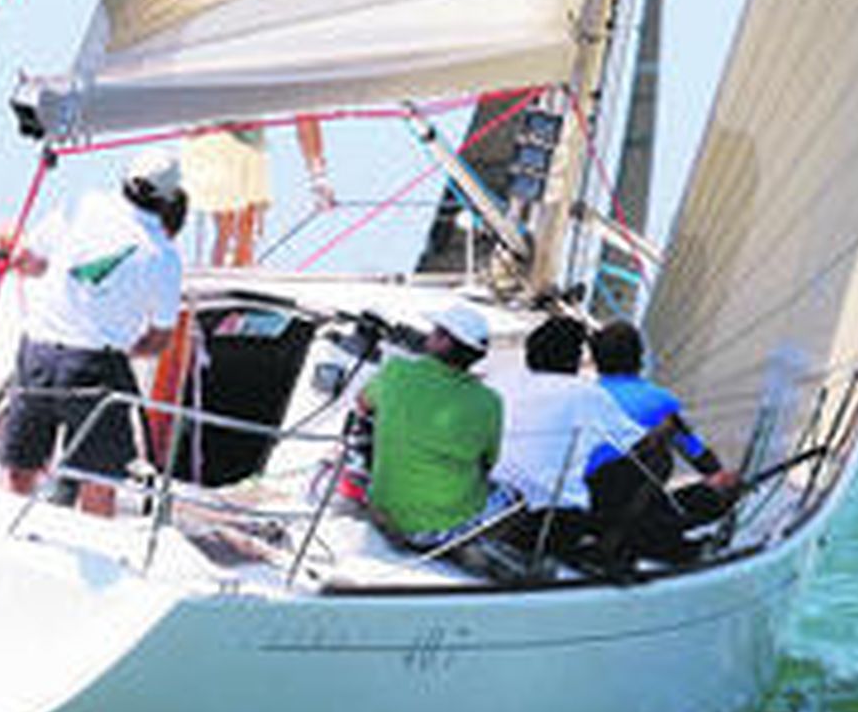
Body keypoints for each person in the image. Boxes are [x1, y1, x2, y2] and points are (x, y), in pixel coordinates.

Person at [0, 147, 186, 517]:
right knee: (99, 478)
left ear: (125, 180)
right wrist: (126, 348)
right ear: (168, 199)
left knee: (19, 467)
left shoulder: (82, 205)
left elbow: (27, 261)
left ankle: (2, 533)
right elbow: (160, 339)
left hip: (37, 353)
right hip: (95, 365)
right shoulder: (163, 256)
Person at [585, 320, 740, 565]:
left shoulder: (583, 397)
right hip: (629, 511)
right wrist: (722, 478)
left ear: (596, 361)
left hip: (585, 509)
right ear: (640, 358)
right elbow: (699, 458)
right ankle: (655, 545)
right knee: (725, 485)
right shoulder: (660, 401)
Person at [488, 315, 644, 553]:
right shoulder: (585, 393)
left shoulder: (498, 383)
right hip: (551, 522)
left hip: (491, 508)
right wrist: (668, 429)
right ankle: (608, 549)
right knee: (652, 457)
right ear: (574, 358)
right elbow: (638, 443)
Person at [357, 304, 504, 550]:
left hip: (385, 508)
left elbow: (362, 404)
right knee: (516, 496)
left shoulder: (396, 371)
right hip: (440, 527)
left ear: (445, 342)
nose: (429, 335)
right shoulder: (490, 401)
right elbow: (489, 461)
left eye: (435, 331)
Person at [180, 116, 331, 268]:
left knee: (245, 225)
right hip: (213, 133)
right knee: (229, 222)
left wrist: (318, 175)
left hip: (248, 137)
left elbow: (303, 112)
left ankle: (238, 268)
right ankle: (230, 270)